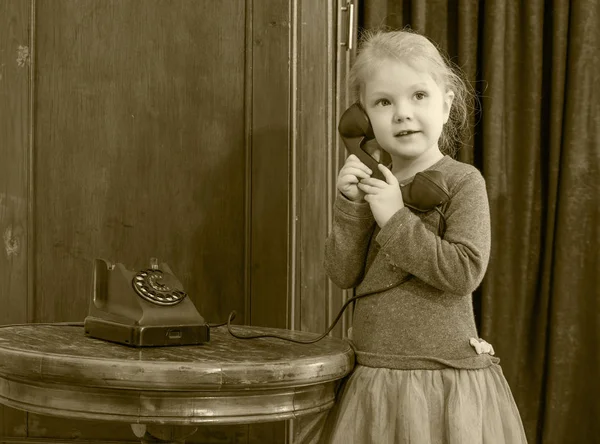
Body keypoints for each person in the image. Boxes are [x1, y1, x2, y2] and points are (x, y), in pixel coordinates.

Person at [318, 29, 528, 443]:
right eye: (384, 102)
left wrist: (395, 218)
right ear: (362, 120)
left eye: (418, 96)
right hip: (374, 379)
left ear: (446, 106)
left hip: (443, 382)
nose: (402, 114)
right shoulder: (374, 185)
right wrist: (351, 208)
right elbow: (342, 273)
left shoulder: (463, 182)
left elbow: (463, 271)